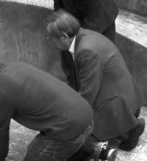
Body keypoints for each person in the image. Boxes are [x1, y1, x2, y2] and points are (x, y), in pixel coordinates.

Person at [0, 42, 93, 161]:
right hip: (86, 116)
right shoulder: (14, 67)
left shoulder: (1, 91)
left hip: (70, 130)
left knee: (34, 155)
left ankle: (82, 150)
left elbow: (1, 131)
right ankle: (86, 151)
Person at [46, 10, 145, 161]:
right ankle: (129, 126)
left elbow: (88, 95)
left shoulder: (86, 50)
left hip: (115, 100)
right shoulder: (86, 36)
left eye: (51, 38)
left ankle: (132, 127)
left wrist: (71, 121)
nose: (51, 42)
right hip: (121, 92)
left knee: (77, 143)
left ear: (65, 37)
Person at [53, 0, 118, 43]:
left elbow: (94, 9)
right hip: (75, 13)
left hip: (99, 17)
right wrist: (59, 18)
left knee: (98, 56)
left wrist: (78, 39)